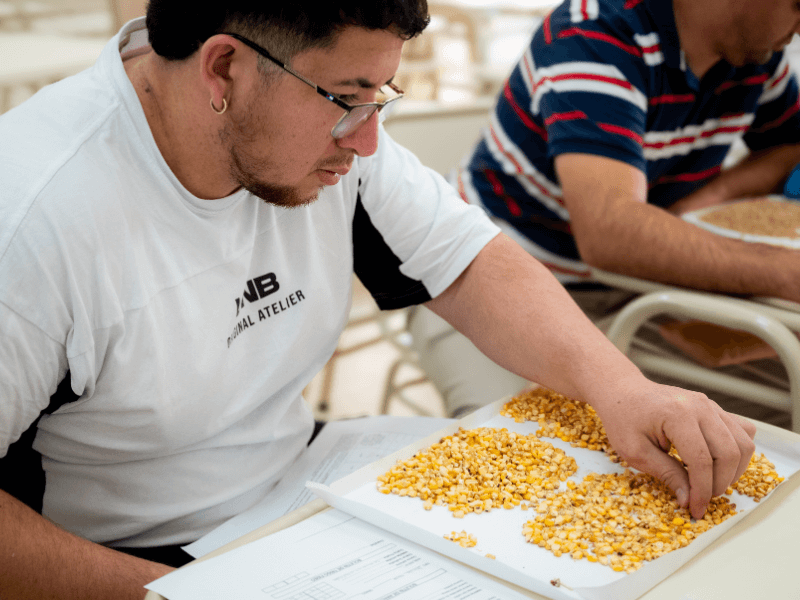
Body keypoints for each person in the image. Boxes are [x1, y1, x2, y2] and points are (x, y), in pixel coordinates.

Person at [0, 2, 755, 598]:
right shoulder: (35, 216)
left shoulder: (327, 140)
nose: (366, 142)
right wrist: (186, 595)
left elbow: (468, 262)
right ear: (223, 69)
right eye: (348, 99)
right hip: (127, 557)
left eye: (380, 97)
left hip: (309, 479)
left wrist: (622, 389)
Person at [410, 0, 800, 419]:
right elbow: (612, 232)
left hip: (632, 290)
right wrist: (786, 272)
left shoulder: (755, 53)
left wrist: (703, 201)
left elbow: (788, 142)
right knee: (505, 444)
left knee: (770, 417)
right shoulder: (594, 35)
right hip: (483, 279)